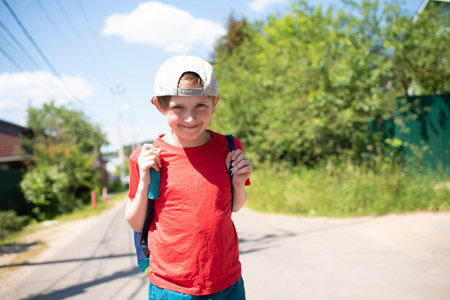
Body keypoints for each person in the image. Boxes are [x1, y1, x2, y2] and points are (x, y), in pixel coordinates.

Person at [125, 54, 253, 299]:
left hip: (228, 281)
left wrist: (238, 184)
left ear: (214, 102)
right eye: (178, 108)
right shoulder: (146, 157)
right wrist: (143, 180)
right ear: (160, 106)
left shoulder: (229, 146)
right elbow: (135, 222)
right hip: (173, 288)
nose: (190, 118)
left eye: (200, 106)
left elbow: (233, 207)